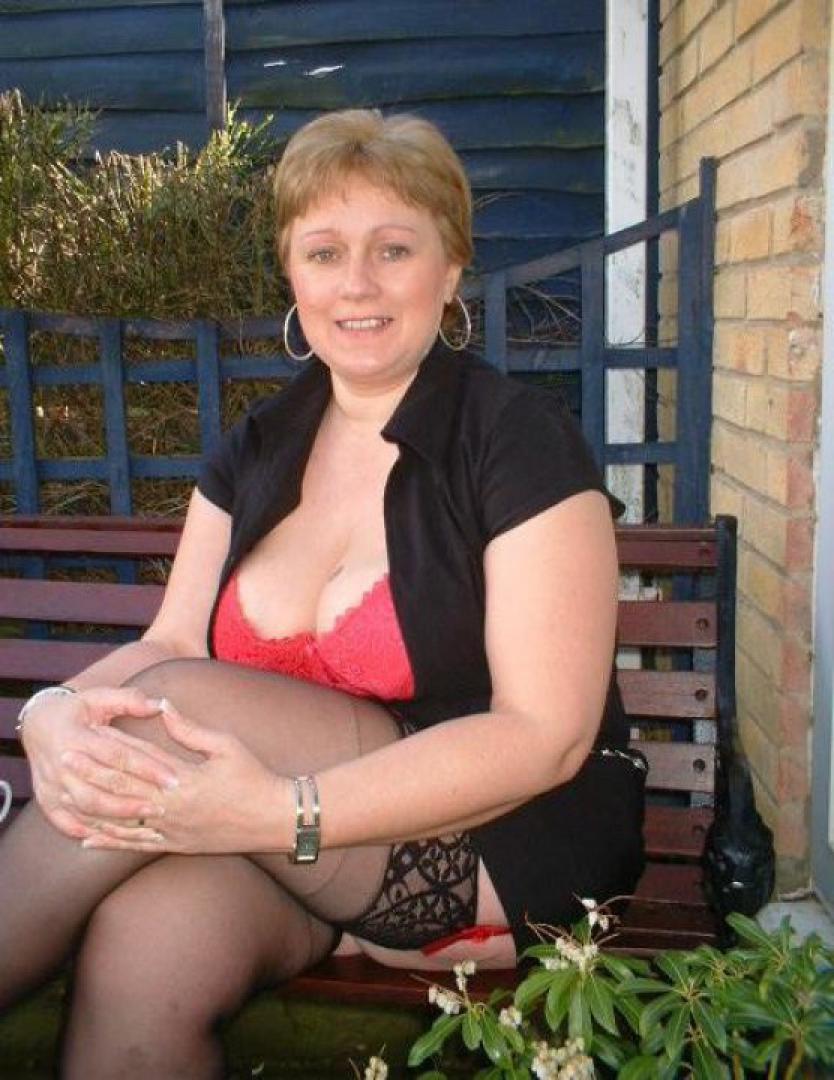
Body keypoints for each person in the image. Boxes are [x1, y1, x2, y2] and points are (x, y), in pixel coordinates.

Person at [0, 109, 646, 1077]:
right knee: (143, 954)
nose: (357, 283)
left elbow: (544, 735)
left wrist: (278, 815)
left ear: (450, 271)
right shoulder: (258, 446)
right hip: (288, 845)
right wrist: (52, 710)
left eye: (394, 249)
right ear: (292, 277)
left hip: (494, 840)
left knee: (175, 708)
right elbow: (169, 642)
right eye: (325, 252)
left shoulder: (516, 440)